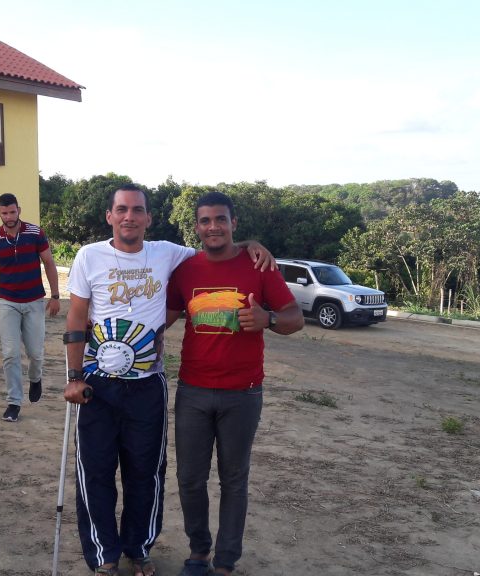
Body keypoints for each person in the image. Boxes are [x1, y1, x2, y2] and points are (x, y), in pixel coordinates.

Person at [62, 184, 274, 576]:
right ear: (109, 216)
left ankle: (138, 548)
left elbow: (216, 244)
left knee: (146, 472)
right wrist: (74, 377)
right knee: (95, 472)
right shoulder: (89, 256)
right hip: (97, 383)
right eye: (121, 210)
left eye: (137, 210)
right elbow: (76, 317)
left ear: (148, 218)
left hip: (148, 383)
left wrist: (250, 244)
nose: (129, 217)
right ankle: (104, 555)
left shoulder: (168, 253)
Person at [166, 192, 303, 576]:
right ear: (196, 227)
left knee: (233, 480)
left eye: (220, 220)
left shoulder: (259, 266)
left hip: (243, 393)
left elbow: (295, 317)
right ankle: (198, 553)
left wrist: (268, 319)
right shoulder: (185, 269)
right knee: (189, 479)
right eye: (205, 220)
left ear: (233, 223)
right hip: (193, 391)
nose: (213, 227)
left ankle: (225, 563)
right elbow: (162, 318)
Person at [0, 193, 61, 422]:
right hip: (8, 302)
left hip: (34, 301)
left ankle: (35, 378)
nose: (9, 217)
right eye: (4, 213)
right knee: (10, 354)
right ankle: (14, 402)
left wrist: (55, 296)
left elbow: (49, 262)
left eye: (12, 212)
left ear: (19, 211)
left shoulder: (35, 233)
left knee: (36, 353)